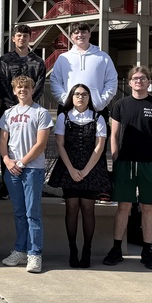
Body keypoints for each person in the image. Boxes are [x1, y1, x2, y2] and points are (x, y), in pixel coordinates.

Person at [103, 66, 152, 271]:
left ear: (149, 82)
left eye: (143, 78)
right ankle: (116, 249)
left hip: (150, 165)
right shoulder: (120, 105)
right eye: (135, 78)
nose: (139, 81)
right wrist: (116, 159)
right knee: (123, 206)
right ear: (130, 82)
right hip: (125, 163)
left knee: (148, 207)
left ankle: (147, 251)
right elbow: (113, 136)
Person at [47, 83, 111, 268]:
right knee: (72, 209)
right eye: (76, 94)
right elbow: (60, 145)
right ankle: (73, 249)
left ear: (89, 97)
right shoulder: (63, 117)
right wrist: (72, 170)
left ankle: (87, 250)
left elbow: (100, 147)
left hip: (91, 168)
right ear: (71, 97)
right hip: (69, 168)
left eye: (84, 94)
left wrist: (85, 171)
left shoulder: (98, 117)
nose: (80, 97)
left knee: (88, 209)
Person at [0, 75, 53, 274]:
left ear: (32, 90)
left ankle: (35, 253)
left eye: (26, 87)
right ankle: (20, 250)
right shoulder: (8, 113)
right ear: (14, 91)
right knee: (19, 213)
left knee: (32, 214)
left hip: (32, 169)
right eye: (19, 88)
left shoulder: (41, 113)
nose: (23, 90)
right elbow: (3, 141)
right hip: (12, 169)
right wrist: (7, 160)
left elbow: (41, 144)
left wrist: (22, 161)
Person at [49, 22, 118, 111]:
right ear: (71, 36)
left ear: (89, 34)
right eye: (76, 33)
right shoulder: (63, 58)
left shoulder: (103, 57)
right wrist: (66, 100)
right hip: (68, 108)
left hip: (96, 108)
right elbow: (55, 81)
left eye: (84, 32)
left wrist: (101, 102)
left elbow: (111, 81)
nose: (80, 35)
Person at [0, 24, 45, 117]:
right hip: (8, 109)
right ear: (13, 38)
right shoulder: (5, 60)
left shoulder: (38, 62)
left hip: (31, 110)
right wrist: (11, 104)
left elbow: (40, 85)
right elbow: (0, 83)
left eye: (25, 36)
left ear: (29, 38)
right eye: (19, 35)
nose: (22, 38)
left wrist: (28, 103)